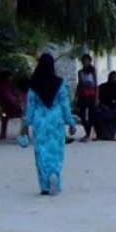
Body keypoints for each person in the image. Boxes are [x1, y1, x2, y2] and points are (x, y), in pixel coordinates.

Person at [21, 53, 76, 196]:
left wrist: (25, 124)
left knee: (41, 152)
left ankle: (45, 185)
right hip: (56, 120)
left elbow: (30, 106)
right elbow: (64, 104)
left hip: (40, 121)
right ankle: (54, 175)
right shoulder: (59, 83)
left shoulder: (33, 84)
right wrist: (71, 122)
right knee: (56, 151)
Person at [94, 71, 116, 140]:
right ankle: (100, 134)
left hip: (115, 108)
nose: (114, 79)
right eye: (112, 77)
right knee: (96, 114)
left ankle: (112, 134)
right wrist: (102, 106)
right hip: (103, 107)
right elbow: (99, 99)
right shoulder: (103, 86)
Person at [74, 54, 98, 142]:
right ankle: (88, 132)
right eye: (84, 61)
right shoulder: (80, 72)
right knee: (82, 115)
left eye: (87, 60)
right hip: (82, 96)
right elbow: (79, 84)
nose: (85, 62)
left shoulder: (93, 71)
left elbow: (96, 85)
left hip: (91, 96)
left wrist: (96, 97)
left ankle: (89, 134)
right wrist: (75, 96)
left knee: (91, 115)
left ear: (89, 61)